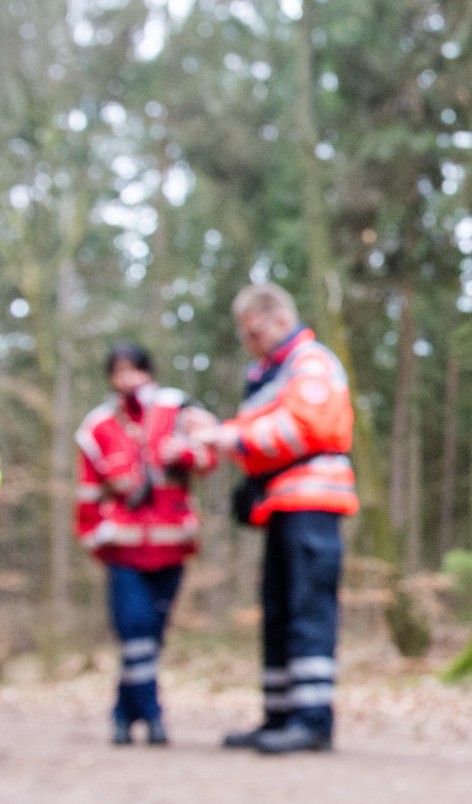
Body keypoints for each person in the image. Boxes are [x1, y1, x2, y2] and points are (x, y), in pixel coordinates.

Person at [201, 282, 358, 754]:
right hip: (280, 508)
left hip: (312, 503)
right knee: (279, 613)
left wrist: (232, 440)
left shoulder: (310, 362)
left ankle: (312, 720)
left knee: (308, 610)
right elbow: (255, 435)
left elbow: (304, 425)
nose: (248, 342)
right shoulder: (268, 375)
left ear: (276, 320)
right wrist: (221, 438)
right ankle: (279, 715)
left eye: (252, 332)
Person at [75, 342, 218, 746]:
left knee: (151, 635)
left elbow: (211, 454)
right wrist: (92, 539)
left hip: (172, 544)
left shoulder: (177, 411)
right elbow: (87, 492)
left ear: (149, 372)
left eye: (134, 370)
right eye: (119, 372)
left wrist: (185, 454)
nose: (128, 379)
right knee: (134, 630)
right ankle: (153, 716)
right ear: (110, 378)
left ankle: (123, 714)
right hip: (123, 549)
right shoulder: (98, 426)